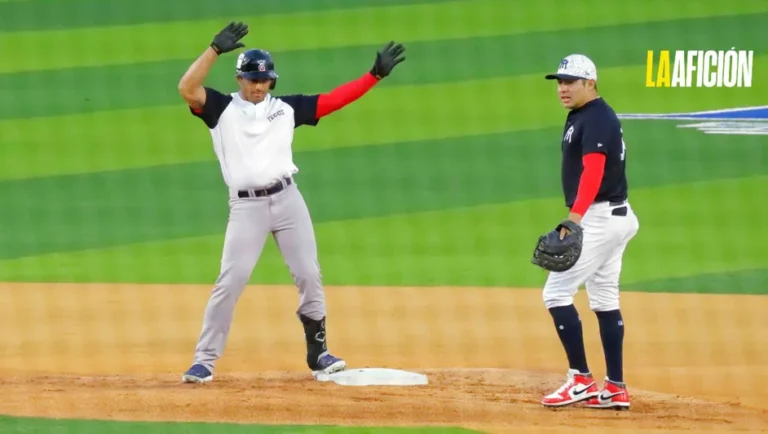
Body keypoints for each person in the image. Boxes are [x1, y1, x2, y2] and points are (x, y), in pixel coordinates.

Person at [176, 22, 406, 383]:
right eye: (252, 79)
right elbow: (186, 87)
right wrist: (214, 50)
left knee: (309, 274)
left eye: (264, 80)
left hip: (287, 200)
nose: (258, 86)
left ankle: (319, 353)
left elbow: (334, 100)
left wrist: (374, 75)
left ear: (273, 82)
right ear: (240, 80)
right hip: (246, 208)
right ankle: (204, 360)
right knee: (230, 280)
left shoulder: (286, 109)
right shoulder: (220, 108)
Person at [538, 54, 639, 409]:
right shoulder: (586, 114)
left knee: (556, 293)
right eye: (559, 82)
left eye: (570, 82)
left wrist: (574, 219)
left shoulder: (596, 118)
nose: (563, 88)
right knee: (604, 299)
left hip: (599, 217)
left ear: (590, 83)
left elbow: (593, 171)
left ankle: (580, 378)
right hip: (616, 216)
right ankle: (615, 387)